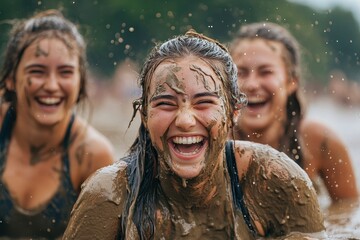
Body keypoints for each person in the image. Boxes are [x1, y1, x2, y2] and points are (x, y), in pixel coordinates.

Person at [63, 30, 324, 239]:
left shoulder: (275, 181)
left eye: (204, 103)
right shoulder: (110, 195)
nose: (185, 121)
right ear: (144, 115)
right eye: (165, 103)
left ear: (234, 111)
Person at [0, 9, 115, 238]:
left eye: (65, 72)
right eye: (37, 71)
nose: (52, 85)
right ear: (11, 79)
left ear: (81, 82)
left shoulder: (93, 156)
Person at [229, 22, 358, 202]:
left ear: (291, 81)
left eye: (265, 72)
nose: (251, 85)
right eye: (240, 72)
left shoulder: (320, 142)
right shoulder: (214, 142)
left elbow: (348, 213)